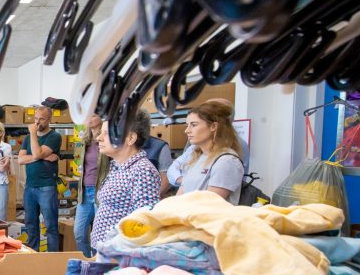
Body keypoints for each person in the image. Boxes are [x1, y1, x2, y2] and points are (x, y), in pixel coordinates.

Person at [90, 111, 161, 250]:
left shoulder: (142, 171)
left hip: (120, 256)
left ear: (130, 138)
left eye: (106, 133)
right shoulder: (117, 166)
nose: (99, 138)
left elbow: (143, 224)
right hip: (106, 252)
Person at [167, 97, 250, 191]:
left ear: (214, 125)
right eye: (187, 125)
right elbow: (180, 190)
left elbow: (210, 202)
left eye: (194, 125)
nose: (186, 131)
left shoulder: (227, 160)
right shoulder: (197, 154)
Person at [19, 106, 63, 251]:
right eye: (36, 118)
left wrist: (33, 134)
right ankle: (33, 257)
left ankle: (52, 260)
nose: (37, 122)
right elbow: (20, 160)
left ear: (49, 119)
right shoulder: (26, 138)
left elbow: (37, 153)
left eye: (41, 119)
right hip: (30, 187)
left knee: (50, 225)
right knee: (31, 224)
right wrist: (40, 157)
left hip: (47, 187)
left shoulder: (54, 137)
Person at [74, 114, 109, 257]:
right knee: (79, 232)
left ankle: (97, 262)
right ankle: (88, 259)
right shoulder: (84, 142)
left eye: (93, 115)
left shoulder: (108, 141)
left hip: (100, 191)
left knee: (99, 234)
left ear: (102, 118)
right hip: (84, 192)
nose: (89, 118)